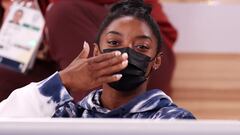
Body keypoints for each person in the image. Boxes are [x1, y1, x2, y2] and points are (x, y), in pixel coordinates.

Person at [0, 0, 195, 119]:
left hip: (138, 60)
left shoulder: (173, 120)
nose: (125, 51)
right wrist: (62, 80)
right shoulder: (65, 114)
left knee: (63, 13)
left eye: (141, 46)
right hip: (49, 55)